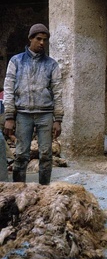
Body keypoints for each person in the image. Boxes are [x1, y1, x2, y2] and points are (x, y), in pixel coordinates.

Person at [3, 24, 64, 185]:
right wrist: (9, 116)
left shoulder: (51, 64)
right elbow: (8, 89)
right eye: (38, 39)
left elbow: (57, 92)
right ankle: (18, 192)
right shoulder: (16, 61)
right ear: (30, 39)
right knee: (22, 154)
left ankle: (44, 192)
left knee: (46, 155)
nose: (42, 42)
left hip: (45, 115)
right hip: (23, 114)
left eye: (45, 40)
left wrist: (58, 119)